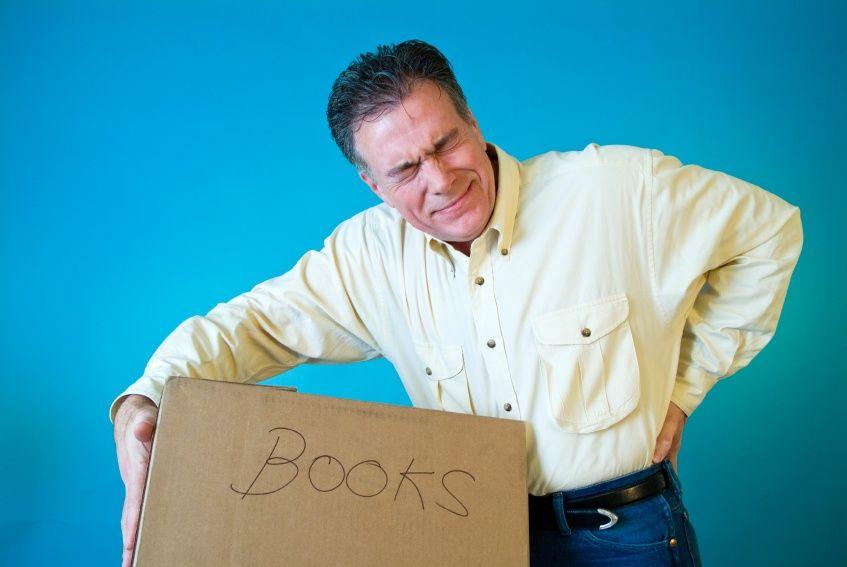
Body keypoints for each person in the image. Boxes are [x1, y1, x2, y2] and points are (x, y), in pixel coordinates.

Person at [111, 40, 802, 566]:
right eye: (406, 168)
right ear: (370, 183)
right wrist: (144, 399)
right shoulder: (367, 256)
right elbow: (251, 325)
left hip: (626, 534)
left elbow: (770, 231)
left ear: (472, 119)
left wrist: (685, 385)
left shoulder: (618, 191)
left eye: (445, 142)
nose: (440, 180)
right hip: (466, 538)